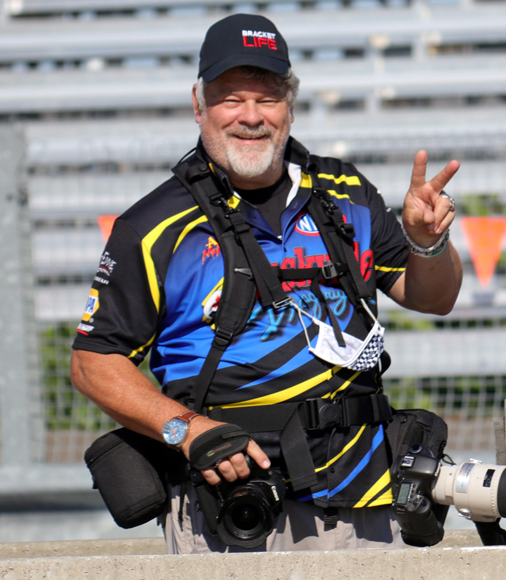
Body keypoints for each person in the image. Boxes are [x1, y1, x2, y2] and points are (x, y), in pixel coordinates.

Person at [70, 13, 462, 554]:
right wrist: (187, 430)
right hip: (235, 510)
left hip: (368, 503)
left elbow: (434, 297)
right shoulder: (153, 225)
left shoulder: (347, 191)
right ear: (199, 103)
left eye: (268, 98)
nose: (251, 117)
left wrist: (426, 242)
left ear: (291, 106)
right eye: (231, 97)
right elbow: (94, 362)